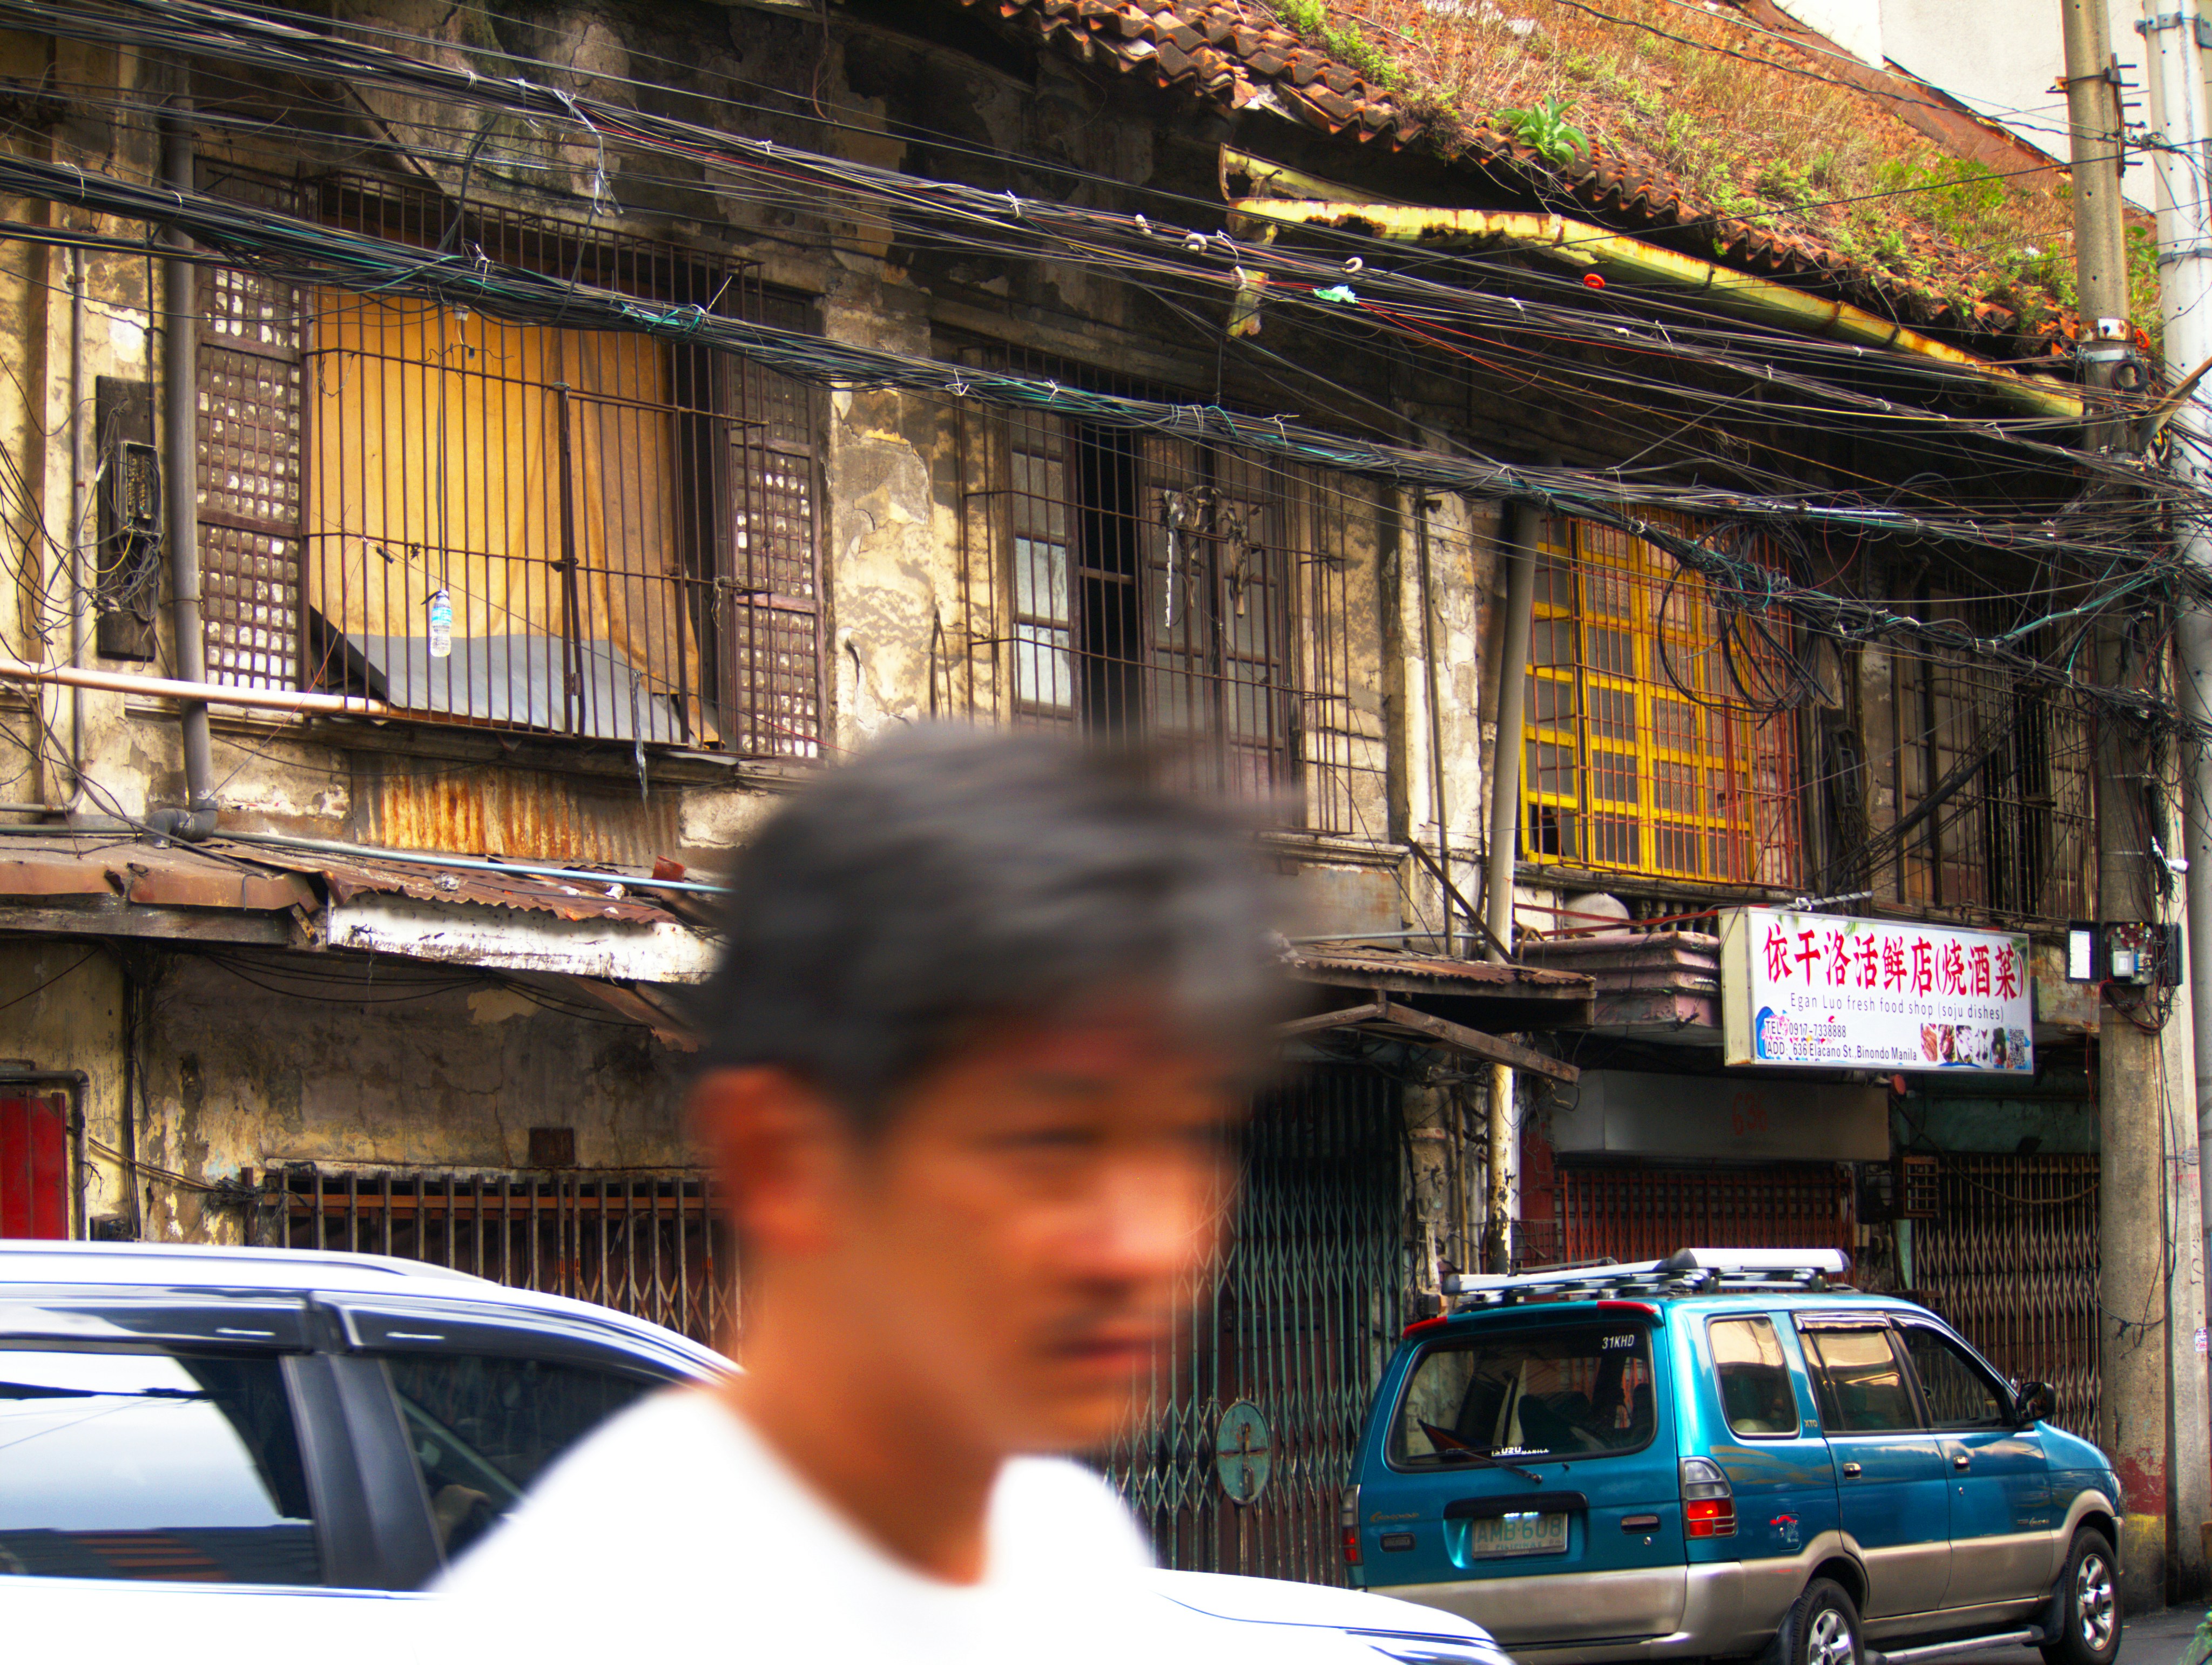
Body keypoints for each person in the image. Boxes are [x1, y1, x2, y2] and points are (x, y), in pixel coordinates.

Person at [437, 726, 1286, 1660]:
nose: (1150, 1245)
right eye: (1053, 1140)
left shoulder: (1069, 1550)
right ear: (784, 1160)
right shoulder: (579, 1623)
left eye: (1184, 1134)